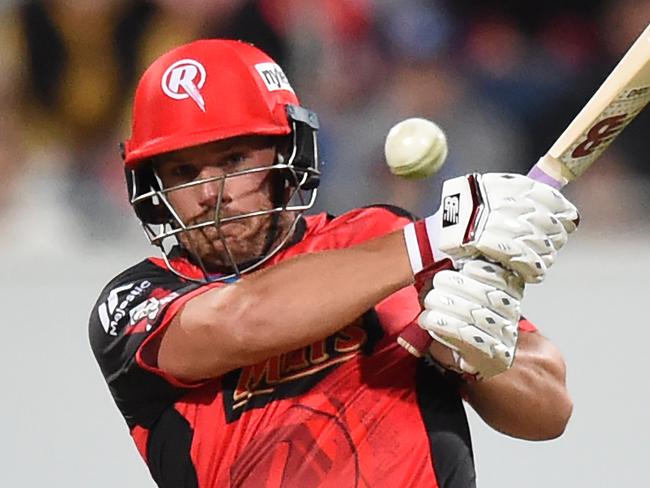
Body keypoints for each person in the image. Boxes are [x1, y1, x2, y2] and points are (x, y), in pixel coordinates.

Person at [89, 39, 578, 488]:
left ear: (289, 152)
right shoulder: (134, 301)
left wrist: (474, 357)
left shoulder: (380, 238)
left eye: (235, 160)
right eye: (182, 171)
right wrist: (434, 237)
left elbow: (549, 411)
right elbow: (245, 317)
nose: (208, 193)